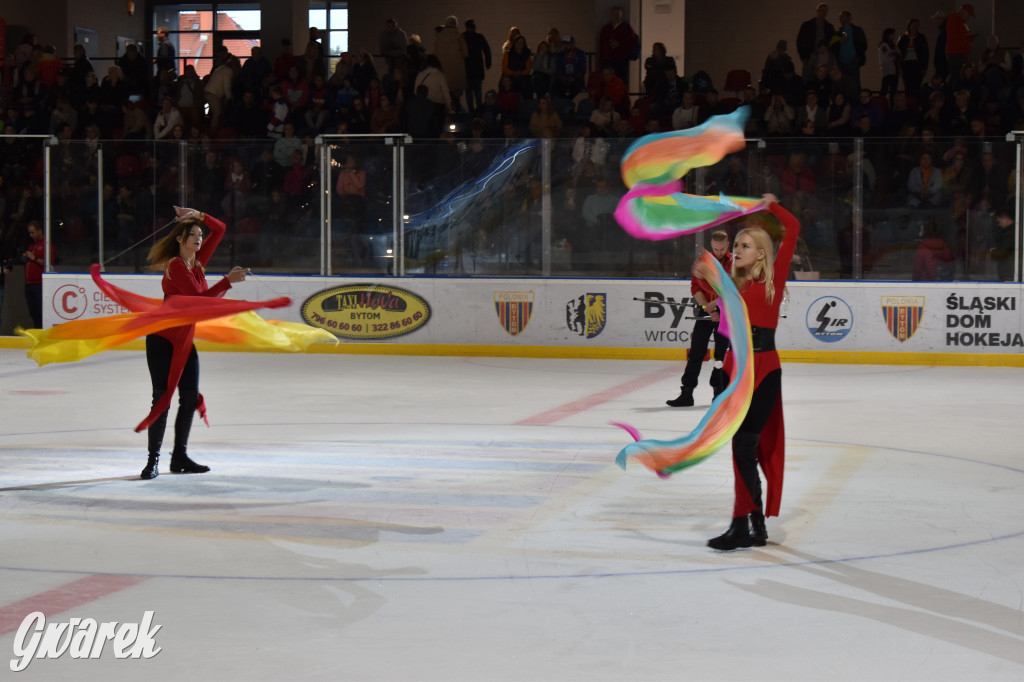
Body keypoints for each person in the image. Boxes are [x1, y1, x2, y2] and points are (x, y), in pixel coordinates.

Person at [702, 194, 800, 550]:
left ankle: (746, 523)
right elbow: (724, 336)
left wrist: (772, 206)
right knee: (740, 447)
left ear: (761, 253)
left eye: (744, 245)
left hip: (765, 369)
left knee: (747, 444)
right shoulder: (732, 288)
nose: (737, 250)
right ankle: (749, 524)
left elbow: (794, 228)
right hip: (735, 369)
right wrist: (717, 371)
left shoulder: (773, 279)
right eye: (736, 245)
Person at [140, 207, 249, 479]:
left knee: (188, 397)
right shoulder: (177, 266)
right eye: (193, 235)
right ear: (179, 239)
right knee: (161, 399)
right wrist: (227, 281)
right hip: (163, 340)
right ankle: (152, 460)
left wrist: (199, 214)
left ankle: (179, 457)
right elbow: (197, 303)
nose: (199, 238)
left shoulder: (197, 264)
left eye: (201, 235)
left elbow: (220, 228)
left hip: (185, 340)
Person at [667, 230, 733, 408]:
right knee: (696, 352)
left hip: (726, 313)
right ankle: (687, 392)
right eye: (715, 249)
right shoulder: (702, 263)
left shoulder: (735, 264)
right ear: (711, 246)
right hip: (705, 310)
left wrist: (718, 306)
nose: (718, 252)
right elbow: (695, 288)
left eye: (721, 249)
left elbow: (735, 289)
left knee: (721, 356)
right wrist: (707, 307)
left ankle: (718, 392)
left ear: (727, 244)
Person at [22, 220, 55, 329]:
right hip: (29, 284)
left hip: (39, 284)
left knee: (41, 312)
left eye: (33, 232)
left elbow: (49, 263)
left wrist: (34, 258)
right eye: (29, 233)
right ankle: (37, 330)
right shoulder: (32, 246)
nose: (31, 235)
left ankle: (43, 331)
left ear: (40, 231)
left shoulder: (47, 245)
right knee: (33, 312)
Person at [598, 6, 639, 86]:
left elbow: (632, 42)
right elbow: (602, 45)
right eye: (614, 14)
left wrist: (620, 44)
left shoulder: (626, 28)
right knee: (608, 81)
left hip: (621, 60)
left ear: (621, 15)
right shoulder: (606, 29)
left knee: (621, 81)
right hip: (608, 60)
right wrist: (602, 59)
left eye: (618, 14)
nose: (616, 16)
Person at [796, 3, 836, 80]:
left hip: (824, 56)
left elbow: (833, 42)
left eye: (825, 11)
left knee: (825, 78)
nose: (823, 13)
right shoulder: (807, 25)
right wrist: (803, 56)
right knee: (808, 78)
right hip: (809, 56)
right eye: (821, 10)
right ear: (817, 11)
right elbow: (799, 41)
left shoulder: (829, 27)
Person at [463, 19, 492, 113]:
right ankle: (480, 111)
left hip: (467, 70)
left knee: (469, 94)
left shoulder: (463, 37)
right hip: (478, 70)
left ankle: (471, 113)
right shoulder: (479, 36)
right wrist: (488, 63)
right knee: (478, 94)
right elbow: (487, 50)